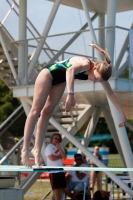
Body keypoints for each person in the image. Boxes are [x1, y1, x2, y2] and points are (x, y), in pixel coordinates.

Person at [21, 44, 126, 168]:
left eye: (98, 81)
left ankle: (37, 149)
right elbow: (69, 70)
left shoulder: (99, 73)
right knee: (36, 110)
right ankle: (24, 150)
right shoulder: (86, 63)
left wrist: (122, 113)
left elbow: (111, 93)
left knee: (47, 113)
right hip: (48, 74)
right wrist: (71, 94)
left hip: (60, 81)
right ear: (96, 68)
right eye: (96, 78)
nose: (94, 81)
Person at [44, 133, 66, 200]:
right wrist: (60, 157)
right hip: (53, 171)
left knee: (60, 188)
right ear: (52, 138)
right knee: (56, 189)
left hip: (60, 170)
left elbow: (64, 156)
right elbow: (52, 158)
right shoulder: (48, 147)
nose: (57, 140)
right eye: (55, 138)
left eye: (58, 139)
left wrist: (59, 148)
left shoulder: (60, 147)